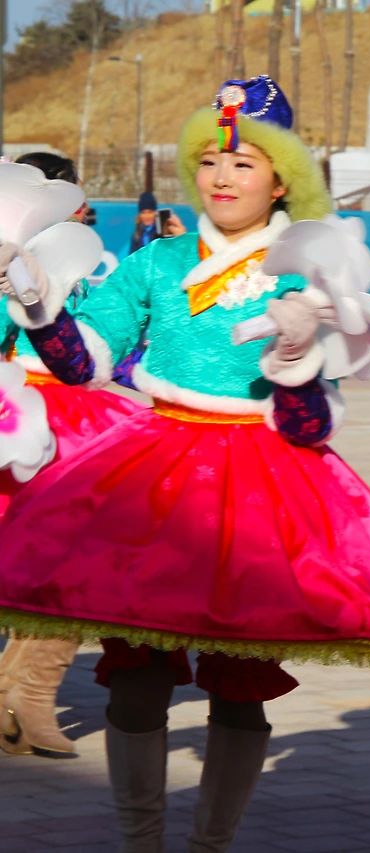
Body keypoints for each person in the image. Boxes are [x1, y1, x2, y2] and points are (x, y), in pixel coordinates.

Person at [0, 75, 370, 849]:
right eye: (208, 161)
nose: (222, 177)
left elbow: (308, 426)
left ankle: (211, 844)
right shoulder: (158, 261)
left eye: (243, 162)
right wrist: (39, 306)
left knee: (239, 684)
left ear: (281, 178)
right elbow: (80, 364)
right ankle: (143, 841)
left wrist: (297, 359)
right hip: (154, 474)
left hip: (262, 485)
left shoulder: (307, 268)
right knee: (137, 673)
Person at [0, 153, 144, 758]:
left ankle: (23, 697)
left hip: (72, 423)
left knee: (67, 566)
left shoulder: (72, 265)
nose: (81, 212)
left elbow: (98, 350)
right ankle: (22, 697)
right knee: (58, 567)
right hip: (23, 421)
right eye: (70, 201)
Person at [127, 191, 185, 256]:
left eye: (150, 212)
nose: (146, 216)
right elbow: (131, 257)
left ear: (155, 213)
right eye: (143, 212)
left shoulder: (163, 231)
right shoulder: (136, 235)